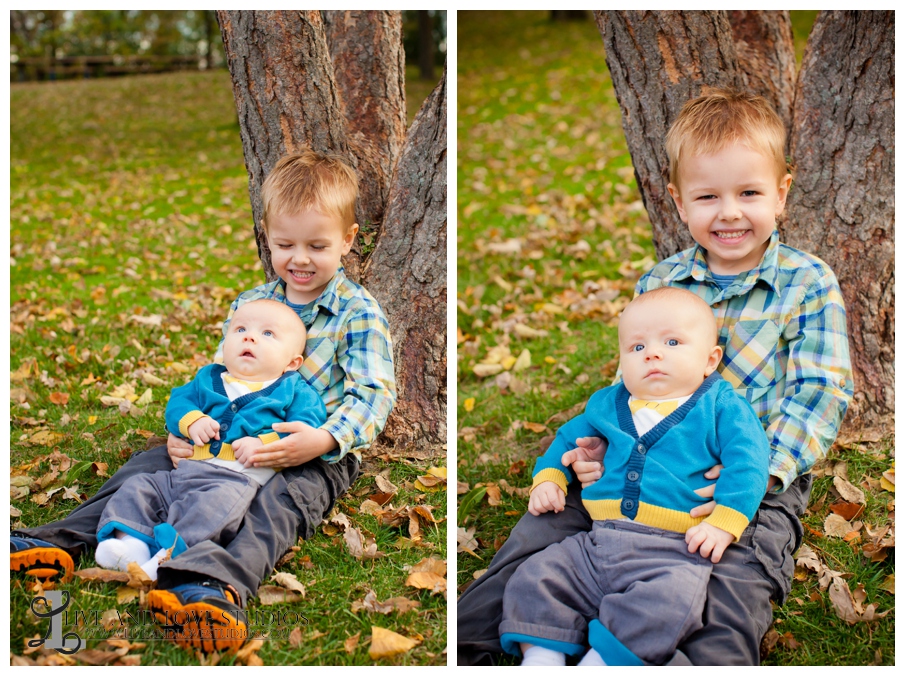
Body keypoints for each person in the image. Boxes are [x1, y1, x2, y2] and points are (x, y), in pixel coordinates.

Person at [457, 88, 853, 665]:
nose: (729, 213)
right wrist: (594, 448)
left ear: (782, 193)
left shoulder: (807, 282)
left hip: (748, 471)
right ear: (677, 200)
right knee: (544, 531)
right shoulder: (662, 279)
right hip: (638, 455)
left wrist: (761, 472)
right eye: (707, 196)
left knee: (735, 574)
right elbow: (635, 374)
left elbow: (818, 392)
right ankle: (478, 647)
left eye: (748, 193)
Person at [11, 150, 396, 653]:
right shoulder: (252, 303)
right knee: (145, 470)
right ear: (267, 236)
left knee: (278, 507)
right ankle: (59, 542)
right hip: (222, 441)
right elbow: (218, 374)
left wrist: (321, 439)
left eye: (317, 245)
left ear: (347, 240)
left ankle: (210, 584)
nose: (300, 259)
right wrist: (188, 425)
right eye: (285, 244)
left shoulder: (357, 312)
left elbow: (374, 393)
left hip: (310, 449)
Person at [501, 288, 769, 666]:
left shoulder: (721, 406)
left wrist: (725, 522)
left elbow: (750, 463)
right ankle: (542, 657)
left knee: (671, 604)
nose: (653, 353)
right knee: (538, 576)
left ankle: (601, 661)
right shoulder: (610, 403)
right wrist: (549, 477)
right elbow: (566, 438)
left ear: (710, 360)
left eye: (672, 342)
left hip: (674, 552)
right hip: (596, 545)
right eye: (637, 347)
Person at [94, 299, 325, 581]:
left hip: (236, 481)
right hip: (183, 472)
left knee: (213, 510)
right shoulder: (209, 377)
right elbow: (179, 402)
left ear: (292, 362)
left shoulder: (293, 389)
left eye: (267, 334)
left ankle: (167, 556)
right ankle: (132, 546)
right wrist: (192, 420)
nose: (249, 336)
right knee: (139, 487)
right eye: (240, 329)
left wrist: (265, 443)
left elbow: (306, 425)